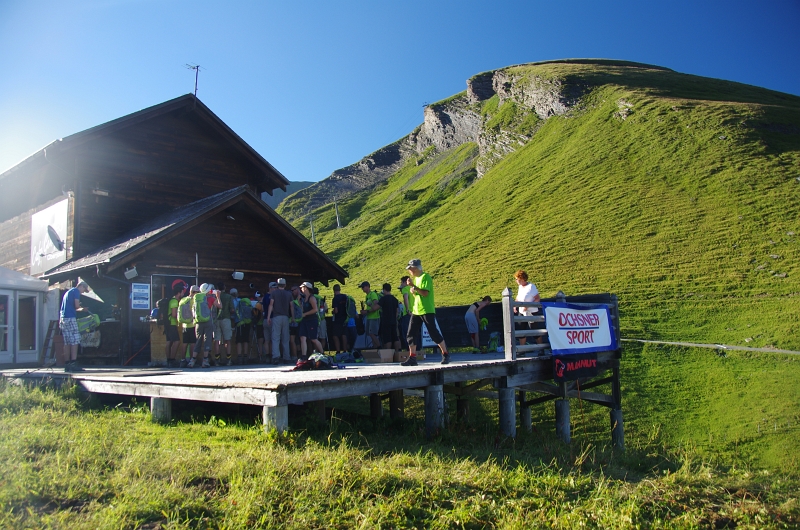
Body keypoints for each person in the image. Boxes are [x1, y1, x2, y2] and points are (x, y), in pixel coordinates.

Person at [402, 259, 450, 366]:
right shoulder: (416, 278)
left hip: (427, 310)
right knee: (411, 334)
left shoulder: (425, 277)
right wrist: (413, 290)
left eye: (410, 269)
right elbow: (418, 295)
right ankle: (412, 357)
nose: (409, 271)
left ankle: (445, 354)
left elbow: (425, 293)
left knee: (433, 333)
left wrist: (413, 287)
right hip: (417, 310)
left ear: (415, 268)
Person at [60, 280, 90, 372]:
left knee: (67, 342)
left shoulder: (68, 292)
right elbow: (77, 306)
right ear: (81, 286)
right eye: (84, 290)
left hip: (63, 319)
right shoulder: (76, 292)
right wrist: (83, 309)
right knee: (75, 340)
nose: (83, 292)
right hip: (70, 318)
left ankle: (67, 364)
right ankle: (73, 363)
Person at [189, 283, 220, 368]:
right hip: (207, 321)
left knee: (198, 340)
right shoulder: (210, 298)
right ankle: (205, 361)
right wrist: (218, 296)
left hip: (198, 322)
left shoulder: (196, 298)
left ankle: (192, 361)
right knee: (207, 340)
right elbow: (220, 306)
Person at [266, 278, 293, 364]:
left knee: (275, 338)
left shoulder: (274, 293)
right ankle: (286, 357)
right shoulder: (289, 294)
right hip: (285, 317)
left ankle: (276, 357)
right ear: (285, 285)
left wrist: (268, 317)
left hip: (276, 317)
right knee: (285, 338)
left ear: (277, 285)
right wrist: (293, 317)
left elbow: (271, 305)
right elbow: (291, 306)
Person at [514, 270, 541, 346]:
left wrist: (528, 306)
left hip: (531, 312)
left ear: (522, 279)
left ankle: (540, 348)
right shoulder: (520, 287)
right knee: (521, 330)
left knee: (534, 330)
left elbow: (537, 298)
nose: (516, 281)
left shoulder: (531, 286)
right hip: (522, 311)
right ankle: (522, 350)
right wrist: (515, 305)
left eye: (517, 279)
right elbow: (518, 297)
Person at [298, 282, 324, 360]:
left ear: (306, 288)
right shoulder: (303, 298)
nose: (301, 289)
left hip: (312, 320)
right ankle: (304, 356)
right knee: (302, 337)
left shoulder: (311, 298)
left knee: (313, 339)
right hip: (305, 320)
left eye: (302, 288)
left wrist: (305, 314)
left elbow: (315, 309)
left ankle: (322, 353)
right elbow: (302, 309)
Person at [178, 285, 200, 367]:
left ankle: (182, 360)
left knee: (184, 343)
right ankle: (192, 360)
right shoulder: (194, 300)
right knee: (193, 343)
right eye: (197, 292)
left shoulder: (183, 300)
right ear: (194, 292)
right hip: (192, 324)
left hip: (184, 325)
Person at [165, 283, 185, 367]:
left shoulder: (172, 300)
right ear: (179, 293)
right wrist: (181, 318)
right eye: (182, 292)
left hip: (168, 324)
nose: (183, 294)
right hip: (171, 324)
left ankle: (169, 360)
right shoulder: (174, 301)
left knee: (169, 342)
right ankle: (172, 360)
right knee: (176, 341)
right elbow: (174, 314)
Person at [215, 283, 235, 366]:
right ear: (225, 287)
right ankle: (228, 359)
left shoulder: (214, 297)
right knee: (227, 340)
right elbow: (232, 309)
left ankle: (217, 360)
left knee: (217, 340)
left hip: (216, 319)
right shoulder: (228, 297)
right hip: (226, 319)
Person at [378, 283, 400, 351]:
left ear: (384, 290)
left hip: (386, 321)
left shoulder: (383, 299)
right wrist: (395, 318)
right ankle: (397, 352)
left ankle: (388, 353)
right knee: (395, 337)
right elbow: (397, 311)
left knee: (387, 338)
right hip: (393, 320)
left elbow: (377, 307)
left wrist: (368, 310)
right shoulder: (395, 299)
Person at [359, 281, 381, 348]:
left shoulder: (372, 294)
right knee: (370, 334)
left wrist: (367, 311)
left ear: (367, 286)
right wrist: (365, 311)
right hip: (369, 317)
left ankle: (379, 346)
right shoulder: (367, 296)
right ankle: (375, 347)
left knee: (372, 333)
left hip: (374, 317)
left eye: (363, 287)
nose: (362, 289)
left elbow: (376, 305)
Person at [330, 284, 349, 354]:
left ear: (334, 290)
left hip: (338, 319)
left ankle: (338, 351)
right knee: (344, 334)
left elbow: (336, 310)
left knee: (335, 335)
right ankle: (345, 350)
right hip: (345, 318)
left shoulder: (335, 298)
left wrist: (333, 312)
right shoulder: (345, 297)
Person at [398, 276, 413, 350]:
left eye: (401, 282)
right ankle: (417, 350)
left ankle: (409, 350)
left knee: (407, 332)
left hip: (407, 314)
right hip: (415, 312)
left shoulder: (405, 289)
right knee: (415, 332)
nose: (401, 284)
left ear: (404, 282)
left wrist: (407, 309)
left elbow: (406, 298)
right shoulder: (413, 289)